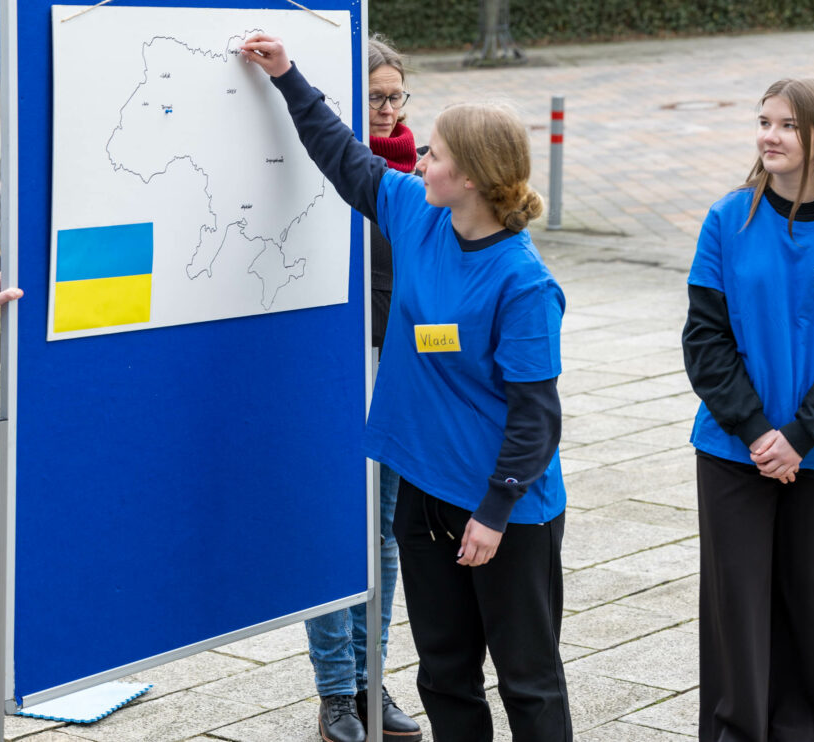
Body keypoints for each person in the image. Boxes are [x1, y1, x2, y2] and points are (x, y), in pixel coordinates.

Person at [240, 34, 572, 742]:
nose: (420, 159)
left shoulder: (524, 282)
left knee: (527, 680)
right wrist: (288, 77)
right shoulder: (417, 215)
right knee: (444, 673)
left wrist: (494, 511)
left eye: (437, 155)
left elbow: (536, 418)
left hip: (503, 510)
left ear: (475, 177)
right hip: (423, 494)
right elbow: (343, 158)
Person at [682, 78, 814, 742]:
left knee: (808, 611)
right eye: (763, 121)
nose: (768, 136)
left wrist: (799, 437)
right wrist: (756, 431)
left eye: (787, 126)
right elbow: (704, 339)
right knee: (735, 613)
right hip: (732, 451)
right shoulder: (727, 220)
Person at [301, 34, 422, 742]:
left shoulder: (427, 170)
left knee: (382, 533)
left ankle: (368, 680)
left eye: (395, 95)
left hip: (401, 374)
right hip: (336, 372)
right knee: (334, 526)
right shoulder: (338, 174)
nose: (386, 109)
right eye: (373, 97)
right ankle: (333, 693)